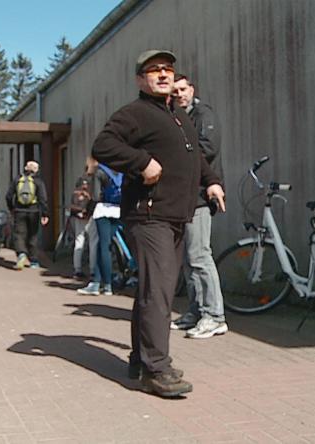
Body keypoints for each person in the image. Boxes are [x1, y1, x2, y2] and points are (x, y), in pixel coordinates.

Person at [91, 49, 225, 397]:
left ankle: (141, 360)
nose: (163, 75)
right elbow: (102, 145)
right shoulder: (135, 113)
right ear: (141, 80)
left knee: (153, 291)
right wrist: (141, 162)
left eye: (167, 69)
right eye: (153, 71)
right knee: (158, 292)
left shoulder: (178, 115)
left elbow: (194, 156)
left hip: (176, 215)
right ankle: (156, 369)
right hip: (149, 216)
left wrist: (211, 181)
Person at [170, 74, 228, 339]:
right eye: (175, 91)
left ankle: (215, 316)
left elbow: (207, 149)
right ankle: (196, 310)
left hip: (201, 197)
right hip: (184, 197)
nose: (179, 94)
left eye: (183, 89)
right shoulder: (179, 118)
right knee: (188, 260)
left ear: (192, 89)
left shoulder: (203, 115)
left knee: (200, 256)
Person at [77, 163, 122, 296]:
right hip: (118, 209)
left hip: (103, 210)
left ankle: (103, 284)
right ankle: (100, 283)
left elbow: (96, 196)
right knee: (107, 246)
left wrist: (87, 210)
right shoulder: (121, 171)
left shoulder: (100, 171)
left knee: (102, 246)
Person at [6, 161, 49, 269]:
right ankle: (33, 261)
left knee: (19, 234)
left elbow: (8, 195)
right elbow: (43, 198)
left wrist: (12, 208)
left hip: (19, 211)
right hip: (34, 211)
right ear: (36, 170)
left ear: (25, 168)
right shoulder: (38, 181)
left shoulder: (17, 180)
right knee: (33, 235)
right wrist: (45, 213)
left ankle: (21, 253)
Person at [69, 176, 93, 279]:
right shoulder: (89, 193)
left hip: (78, 219)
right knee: (93, 243)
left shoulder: (75, 194)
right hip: (89, 219)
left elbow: (72, 206)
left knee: (79, 242)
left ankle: (77, 269)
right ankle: (93, 270)